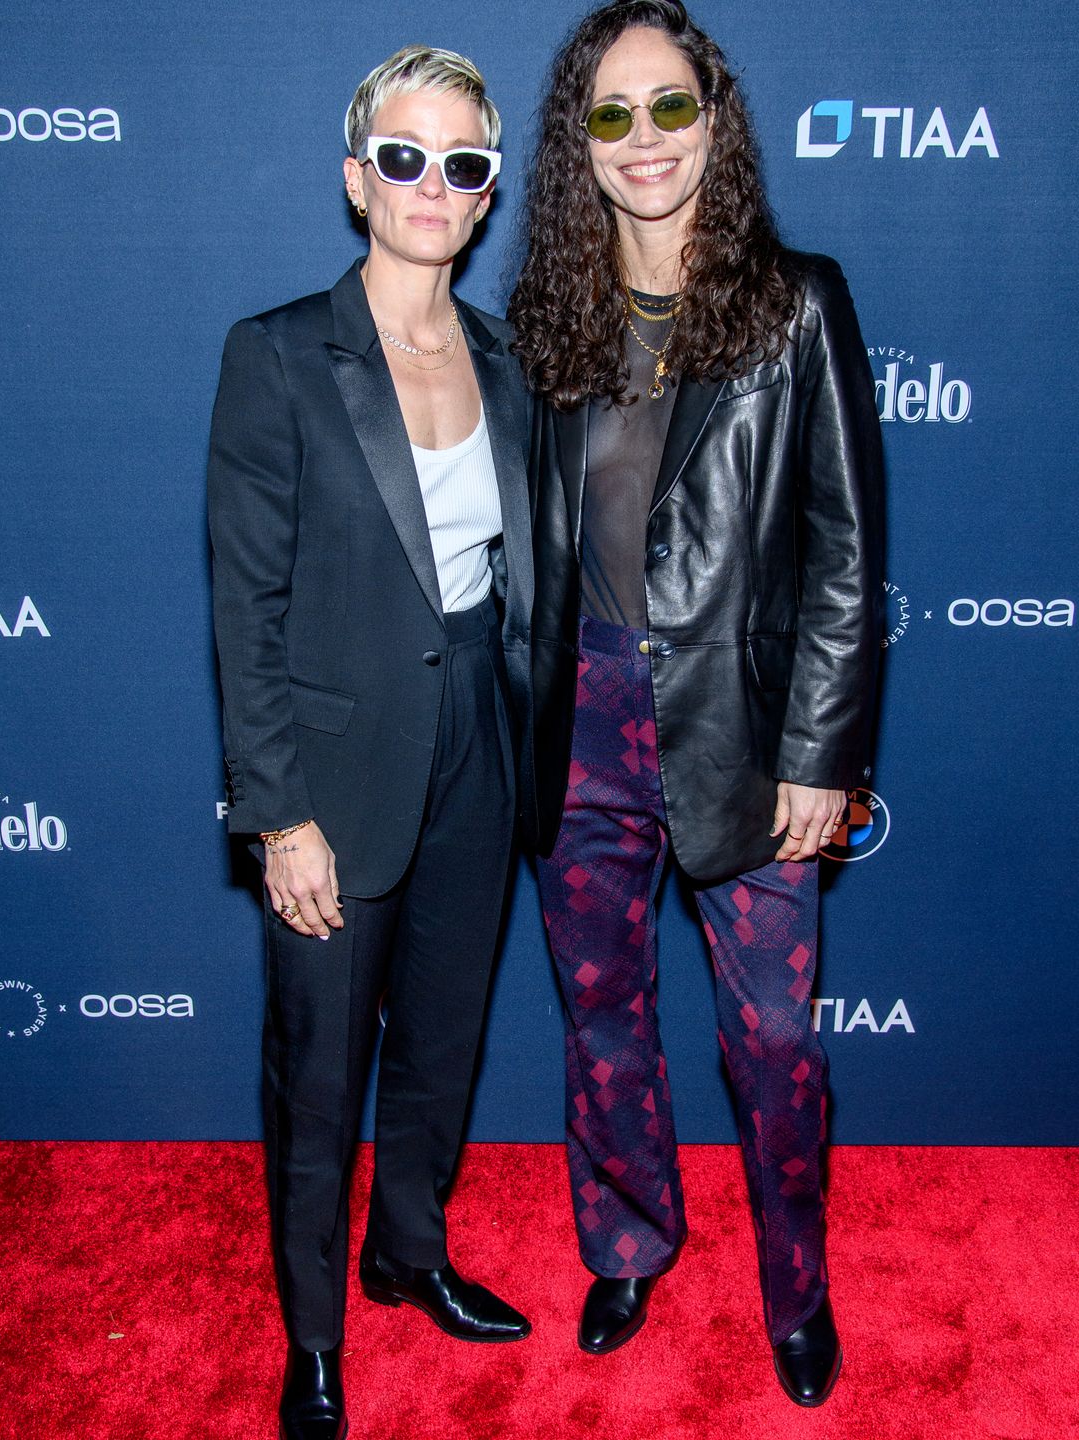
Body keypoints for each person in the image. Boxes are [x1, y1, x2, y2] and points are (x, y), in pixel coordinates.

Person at [509, 0, 883, 1407]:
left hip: (743, 717)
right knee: (602, 1009)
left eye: (671, 106)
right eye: (613, 114)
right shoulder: (550, 320)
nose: (645, 137)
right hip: (582, 718)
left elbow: (848, 554)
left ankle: (798, 1290)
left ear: (713, 123)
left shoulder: (799, 304)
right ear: (580, 146)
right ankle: (628, 1241)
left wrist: (823, 752)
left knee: (774, 1040)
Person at [208, 45, 534, 1440]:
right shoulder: (279, 353)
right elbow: (246, 603)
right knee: (321, 1064)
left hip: (482, 731)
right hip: (336, 761)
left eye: (459, 165)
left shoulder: (510, 359)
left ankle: (407, 1253)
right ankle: (316, 1338)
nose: (429, 185)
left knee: (444, 1038)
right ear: (358, 179)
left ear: (485, 194)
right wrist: (279, 816)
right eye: (402, 156)